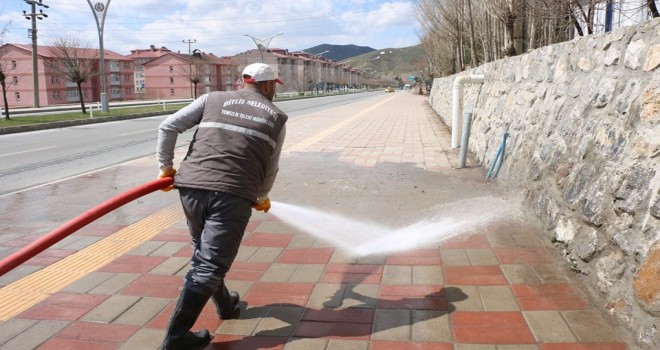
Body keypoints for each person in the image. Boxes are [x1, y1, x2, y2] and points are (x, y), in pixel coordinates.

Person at [156, 63, 287, 350]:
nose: (274, 90)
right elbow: (270, 166)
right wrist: (262, 195)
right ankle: (176, 338)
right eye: (274, 85)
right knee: (210, 264)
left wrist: (166, 168)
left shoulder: (212, 98)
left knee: (204, 251)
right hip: (233, 193)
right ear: (267, 86)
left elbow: (168, 126)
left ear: (244, 82)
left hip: (191, 185)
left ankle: (225, 304)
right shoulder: (276, 117)